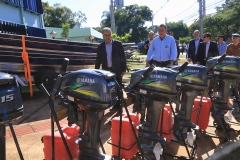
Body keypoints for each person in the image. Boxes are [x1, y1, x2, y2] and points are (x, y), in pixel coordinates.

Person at [95, 27, 126, 110]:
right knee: (110, 89)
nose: (108, 37)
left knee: (118, 87)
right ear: (103, 36)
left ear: (111, 35)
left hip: (117, 69)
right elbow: (98, 59)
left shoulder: (118, 44)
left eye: (109, 35)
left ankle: (120, 105)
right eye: (106, 35)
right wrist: (96, 70)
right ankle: (114, 104)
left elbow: (123, 57)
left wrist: (124, 69)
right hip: (106, 71)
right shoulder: (100, 46)